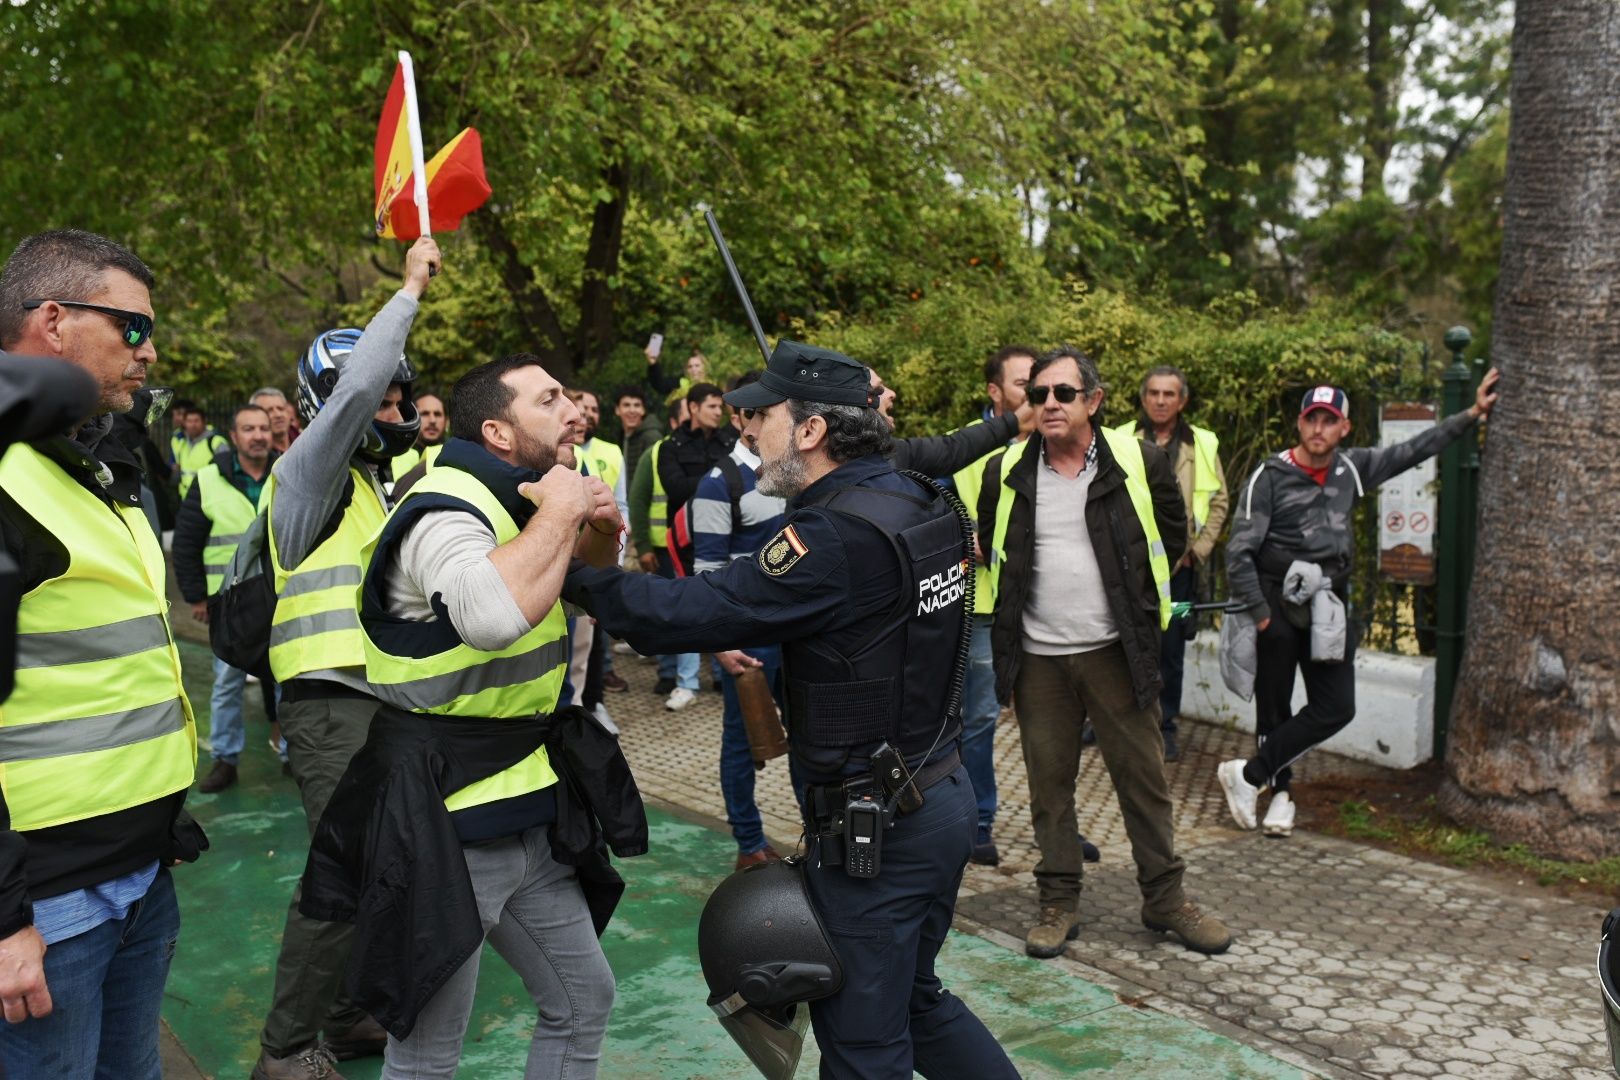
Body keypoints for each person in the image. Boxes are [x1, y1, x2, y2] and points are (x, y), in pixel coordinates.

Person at [566, 340, 1019, 1079]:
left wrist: (572, 570)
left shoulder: (834, 534)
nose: (748, 428)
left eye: (763, 414)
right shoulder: (912, 494)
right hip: (933, 797)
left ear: (811, 431)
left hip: (881, 825)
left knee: (863, 1044)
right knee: (914, 1000)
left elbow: (685, 613)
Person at [307, 354, 625, 1079]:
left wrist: (597, 527)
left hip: (529, 808)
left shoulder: (523, 499)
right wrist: (564, 511)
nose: (573, 410)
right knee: (427, 1052)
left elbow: (585, 588)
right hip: (447, 824)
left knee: (585, 1001)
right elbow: (488, 615)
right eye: (549, 401)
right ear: (499, 432)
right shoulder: (443, 508)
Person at [0, 227, 204, 1078]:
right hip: (47, 905)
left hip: (139, 872)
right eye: (132, 327)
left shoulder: (94, 465)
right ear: (53, 320)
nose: (149, 351)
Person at [251, 235, 438, 1080]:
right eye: (391, 394)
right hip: (329, 704)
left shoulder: (374, 485)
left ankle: (348, 1013)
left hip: (384, 702)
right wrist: (406, 292)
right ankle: (287, 1051)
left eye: (404, 394)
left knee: (382, 865)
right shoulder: (307, 473)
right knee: (340, 873)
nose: (400, 405)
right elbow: (360, 385)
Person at [979, 346, 1232, 959]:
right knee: (1049, 786)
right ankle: (1059, 900)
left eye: (1063, 394)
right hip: (1039, 658)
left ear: (1093, 402)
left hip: (1117, 652)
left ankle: (1165, 900)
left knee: (1143, 780)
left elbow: (1172, 533)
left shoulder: (1137, 461)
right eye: (1038, 395)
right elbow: (994, 552)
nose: (1048, 405)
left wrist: (1141, 610)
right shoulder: (1006, 469)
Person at [1218, 374, 1499, 837]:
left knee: (1335, 706)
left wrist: (1470, 415)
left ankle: (1248, 775)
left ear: (1344, 428)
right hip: (1275, 600)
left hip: (1327, 604)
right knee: (1274, 706)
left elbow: (1414, 451)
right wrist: (1263, 615)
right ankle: (1280, 792)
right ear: (1300, 423)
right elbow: (1239, 551)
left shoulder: (1353, 469)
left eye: (1330, 421)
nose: (1319, 429)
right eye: (1312, 419)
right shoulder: (1269, 476)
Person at [691, 371, 791, 870]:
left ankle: (820, 835)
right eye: (757, 411)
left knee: (813, 739)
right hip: (748, 640)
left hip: (799, 634)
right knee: (742, 742)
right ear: (737, 417)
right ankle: (750, 844)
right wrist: (720, 643)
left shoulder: (800, 472)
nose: (766, 421)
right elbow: (707, 575)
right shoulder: (718, 484)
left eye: (774, 410)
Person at [1109, 366, 1229, 762]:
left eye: (1169, 394)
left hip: (1179, 573)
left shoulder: (1203, 444)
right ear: (1143, 398)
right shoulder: (1121, 438)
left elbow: (1219, 503)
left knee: (1172, 645)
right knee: (1120, 641)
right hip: (1132, 568)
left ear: (1183, 401)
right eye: (1154, 393)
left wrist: (1198, 551)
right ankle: (1114, 721)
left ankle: (1166, 726)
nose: (1161, 401)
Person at [949, 345, 1035, 866]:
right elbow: (932, 506)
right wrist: (963, 533)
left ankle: (1059, 829)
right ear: (995, 392)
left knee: (1057, 718)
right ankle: (977, 818)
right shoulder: (964, 445)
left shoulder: (1057, 440)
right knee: (978, 718)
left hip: (1046, 606)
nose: (1035, 394)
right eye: (1024, 383)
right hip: (982, 605)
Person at [172, 402, 280, 793]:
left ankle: (291, 753)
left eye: (263, 429)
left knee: (287, 679)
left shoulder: (288, 473)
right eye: (248, 429)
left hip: (280, 598)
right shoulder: (208, 478)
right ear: (233, 437)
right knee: (227, 682)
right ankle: (225, 759)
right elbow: (185, 544)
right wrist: (197, 598)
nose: (257, 436)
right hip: (229, 602)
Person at [655, 382, 735, 709]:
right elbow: (674, 486)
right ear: (692, 407)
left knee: (723, 600)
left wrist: (706, 484)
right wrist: (716, 482)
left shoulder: (730, 440)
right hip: (686, 539)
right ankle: (686, 682)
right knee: (688, 607)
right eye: (713, 406)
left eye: (721, 407)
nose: (720, 412)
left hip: (725, 534)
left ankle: (722, 673)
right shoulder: (671, 446)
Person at [171, 402, 229, 498]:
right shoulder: (182, 443)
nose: (193, 425)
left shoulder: (216, 442)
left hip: (209, 496)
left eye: (196, 421)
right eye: (189, 421)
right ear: (184, 423)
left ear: (204, 422)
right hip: (185, 496)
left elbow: (227, 470)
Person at [613, 384, 660, 484]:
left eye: (637, 405)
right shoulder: (621, 437)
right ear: (617, 410)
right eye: (626, 405)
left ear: (643, 410)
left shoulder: (651, 437)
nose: (632, 410)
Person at [253, 386, 302, 452]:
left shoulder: (306, 439)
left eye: (281, 408)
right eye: (269, 410)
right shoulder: (256, 456)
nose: (278, 415)